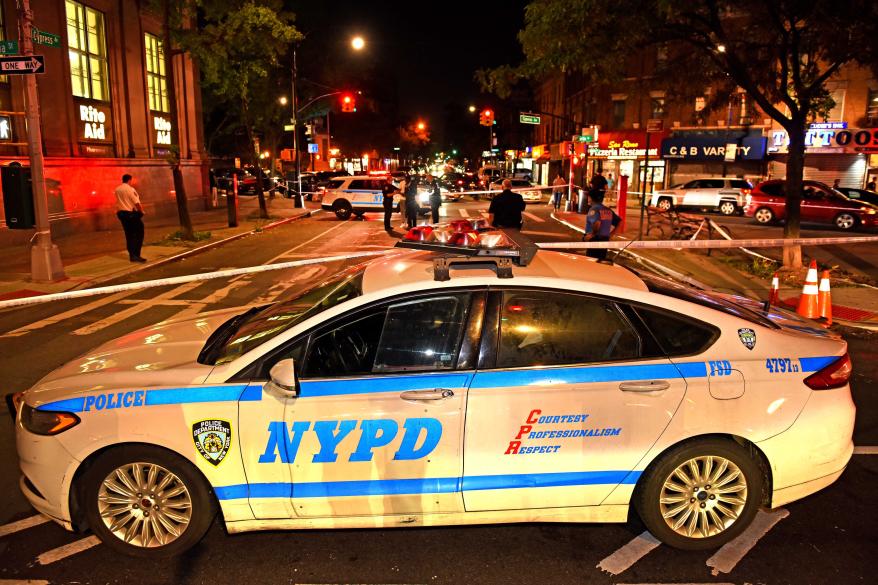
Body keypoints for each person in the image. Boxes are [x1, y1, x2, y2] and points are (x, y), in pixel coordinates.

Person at [114, 174, 146, 263]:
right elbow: (136, 202)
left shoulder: (117, 189)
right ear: (129, 180)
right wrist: (142, 211)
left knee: (128, 234)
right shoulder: (130, 189)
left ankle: (132, 255)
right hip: (130, 214)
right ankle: (136, 255)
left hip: (121, 214)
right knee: (139, 233)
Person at [583, 190, 621, 262]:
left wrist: (592, 235)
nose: (587, 199)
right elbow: (620, 222)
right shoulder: (607, 210)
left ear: (591, 198)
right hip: (605, 241)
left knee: (592, 263)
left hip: (595, 241)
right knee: (601, 263)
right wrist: (611, 235)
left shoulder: (594, 209)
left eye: (588, 197)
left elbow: (597, 222)